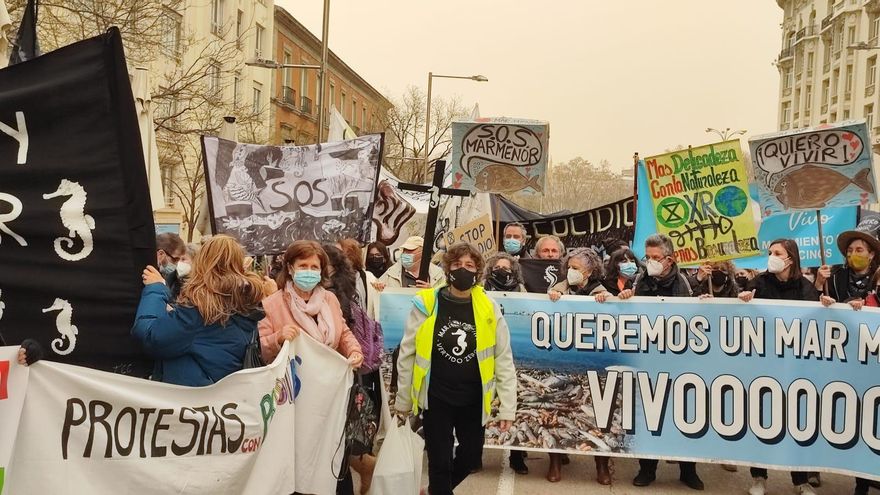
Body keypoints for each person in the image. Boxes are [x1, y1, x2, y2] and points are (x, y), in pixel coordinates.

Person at [395, 242, 517, 495]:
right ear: (447, 269)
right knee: (439, 461)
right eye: (457, 264)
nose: (463, 270)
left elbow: (503, 358)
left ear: (478, 271)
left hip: (473, 398)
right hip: (436, 396)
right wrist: (403, 400)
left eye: (469, 265)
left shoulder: (489, 307)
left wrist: (508, 406)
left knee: (471, 457)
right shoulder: (426, 303)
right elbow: (407, 354)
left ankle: (435, 491)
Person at [619, 234, 703, 490]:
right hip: (649, 359)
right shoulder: (640, 281)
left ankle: (688, 469)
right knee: (648, 415)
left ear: (670, 259)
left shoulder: (686, 284)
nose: (651, 262)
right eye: (648, 257)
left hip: (681, 361)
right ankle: (647, 469)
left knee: (684, 415)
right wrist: (626, 298)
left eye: (656, 258)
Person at [738, 238, 819, 495]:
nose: (771, 256)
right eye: (770, 252)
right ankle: (758, 477)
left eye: (777, 253)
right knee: (762, 420)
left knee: (797, 422)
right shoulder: (760, 282)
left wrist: (825, 304)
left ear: (790, 259)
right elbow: (740, 306)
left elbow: (814, 323)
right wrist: (743, 298)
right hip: (764, 366)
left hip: (795, 367)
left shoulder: (805, 287)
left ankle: (800, 480)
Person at [131, 235, 267, 386]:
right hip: (220, 395)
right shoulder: (245, 300)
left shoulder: (201, 310)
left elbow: (150, 336)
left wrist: (155, 289)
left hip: (191, 399)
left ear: (202, 263)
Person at [547, 247, 612, 485]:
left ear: (590, 270)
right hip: (564, 358)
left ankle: (602, 465)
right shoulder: (561, 288)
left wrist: (607, 299)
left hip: (593, 361)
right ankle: (555, 461)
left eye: (577, 268)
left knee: (597, 414)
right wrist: (556, 291)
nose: (571, 272)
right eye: (570, 267)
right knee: (558, 407)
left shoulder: (601, 292)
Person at [259, 240, 363, 368]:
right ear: (290, 268)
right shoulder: (271, 304)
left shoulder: (330, 299)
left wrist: (354, 351)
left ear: (321, 271)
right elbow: (260, 348)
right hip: (292, 382)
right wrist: (277, 338)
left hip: (329, 379)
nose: (309, 271)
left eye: (314, 267)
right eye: (303, 266)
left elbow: (343, 333)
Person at [817, 228, 880, 311]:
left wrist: (865, 304)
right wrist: (819, 285)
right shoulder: (835, 275)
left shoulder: (878, 277)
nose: (853, 254)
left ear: (871, 254)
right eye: (850, 250)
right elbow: (816, 303)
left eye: (859, 250)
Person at [379, 236, 446, 289]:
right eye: (404, 250)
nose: (406, 253)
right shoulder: (391, 273)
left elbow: (444, 301)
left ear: (422, 253)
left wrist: (430, 292)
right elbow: (376, 293)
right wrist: (379, 288)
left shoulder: (438, 274)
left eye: (410, 250)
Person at [339, 238, 380, 319]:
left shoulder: (369, 278)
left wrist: (381, 291)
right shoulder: (334, 278)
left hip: (365, 326)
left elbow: (376, 306)